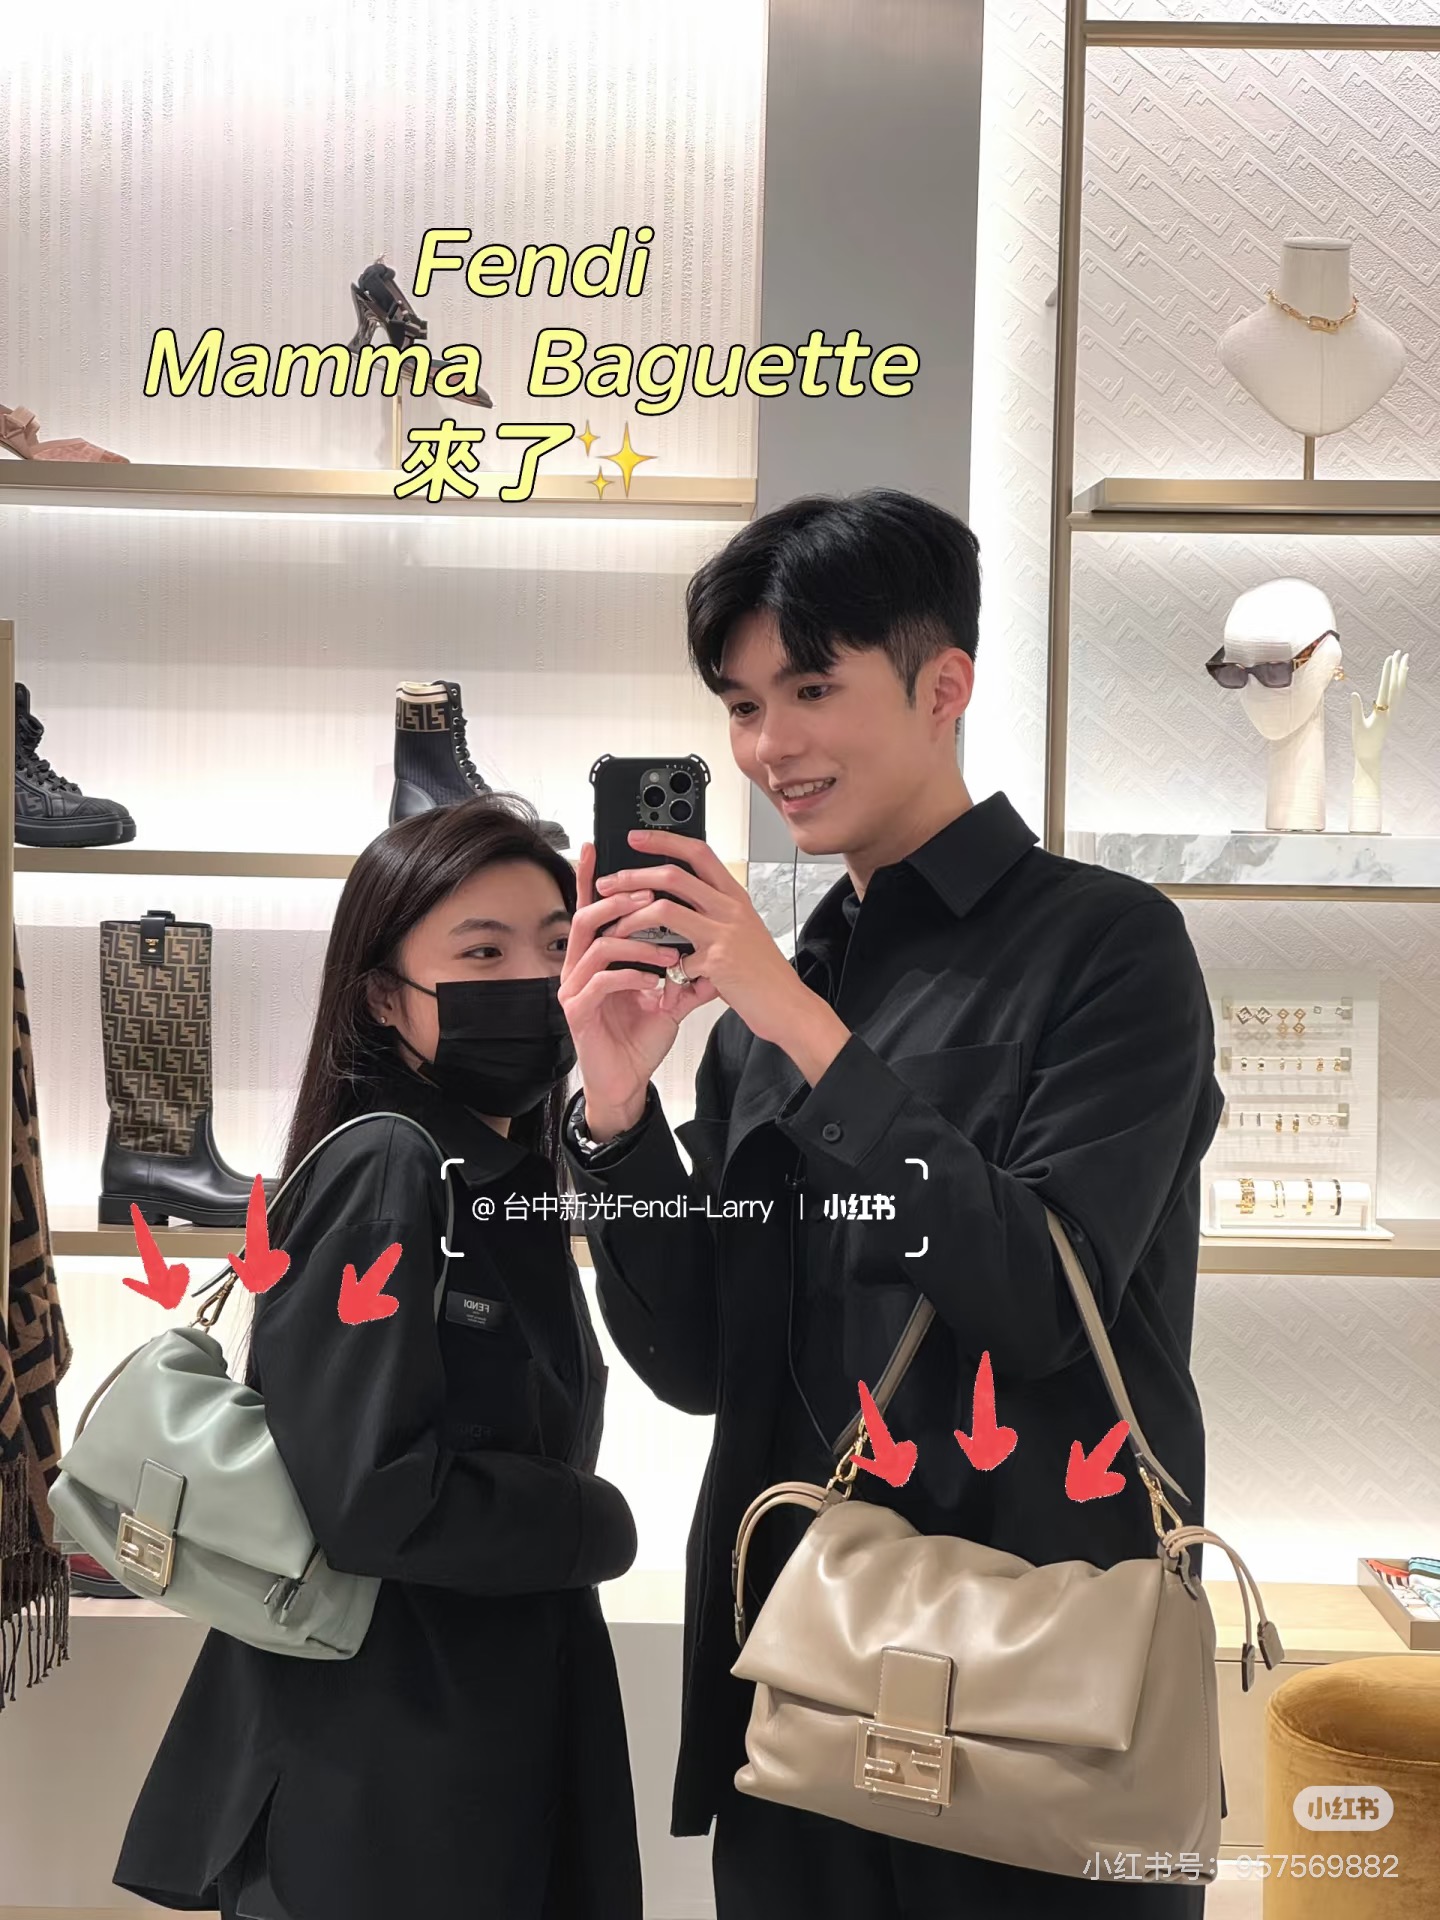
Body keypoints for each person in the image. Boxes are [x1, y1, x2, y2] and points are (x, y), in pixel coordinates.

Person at [556, 488, 1225, 1919]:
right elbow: (700, 1365)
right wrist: (615, 1115)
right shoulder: (762, 1011)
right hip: (804, 1680)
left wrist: (805, 1031)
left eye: (811, 688)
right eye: (743, 706)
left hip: (1046, 1684)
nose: (768, 748)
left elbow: (1041, 1300)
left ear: (943, 687)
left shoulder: (1110, 949)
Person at [113, 797, 642, 1920]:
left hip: (456, 1736)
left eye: (556, 946)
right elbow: (366, 1501)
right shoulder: (394, 1169)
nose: (532, 980)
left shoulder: (493, 1175)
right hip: (385, 1764)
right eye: (481, 953)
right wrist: (590, 1522)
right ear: (383, 997)